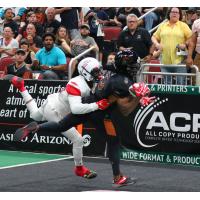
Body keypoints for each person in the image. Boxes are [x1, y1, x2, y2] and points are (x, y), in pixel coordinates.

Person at [12, 49, 155, 187]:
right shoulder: (121, 81)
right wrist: (137, 97)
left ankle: (37, 127)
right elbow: (124, 109)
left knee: (61, 125)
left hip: (87, 102)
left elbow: (113, 92)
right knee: (114, 141)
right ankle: (118, 177)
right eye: (133, 65)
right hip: (98, 111)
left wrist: (134, 95)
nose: (98, 73)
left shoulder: (110, 72)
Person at [5, 57, 111, 179]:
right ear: (85, 72)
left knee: (34, 115)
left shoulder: (89, 81)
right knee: (78, 140)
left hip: (52, 102)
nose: (99, 74)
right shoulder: (78, 84)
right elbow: (76, 109)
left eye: (99, 71)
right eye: (95, 72)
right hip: (56, 111)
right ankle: (79, 168)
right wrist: (96, 105)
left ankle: (22, 87)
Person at [151, 7, 192, 85]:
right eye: (173, 12)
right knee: (167, 85)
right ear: (169, 14)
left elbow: (191, 37)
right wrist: (157, 44)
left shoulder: (183, 25)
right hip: (165, 61)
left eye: (177, 12)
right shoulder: (163, 25)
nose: (175, 14)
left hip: (180, 61)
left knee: (181, 85)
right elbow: (153, 37)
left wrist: (185, 44)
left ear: (180, 15)